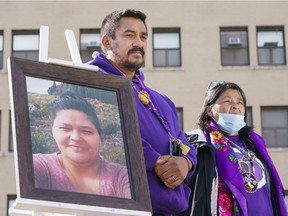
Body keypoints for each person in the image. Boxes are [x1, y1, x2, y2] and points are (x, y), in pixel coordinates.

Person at [87, 9, 197, 215]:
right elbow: (107, 134)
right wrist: (155, 160)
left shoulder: (162, 101)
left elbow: (184, 141)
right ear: (107, 42)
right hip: (117, 208)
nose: (139, 42)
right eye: (130, 35)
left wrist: (185, 162)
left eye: (143, 37)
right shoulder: (89, 81)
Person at [185, 81, 287, 216]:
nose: (235, 106)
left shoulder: (254, 143)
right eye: (227, 101)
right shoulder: (198, 143)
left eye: (240, 102)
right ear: (210, 110)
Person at [33, 91, 131, 198]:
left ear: (99, 136)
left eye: (86, 131)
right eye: (65, 129)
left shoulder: (120, 178)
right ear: (53, 131)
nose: (75, 138)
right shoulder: (38, 166)